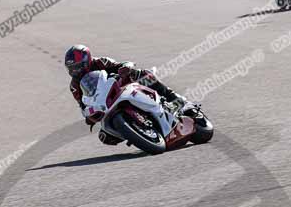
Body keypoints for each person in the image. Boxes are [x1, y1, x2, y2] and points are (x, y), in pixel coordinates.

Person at [64, 45, 194, 145]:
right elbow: (83, 104)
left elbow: (121, 64)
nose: (75, 71)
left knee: (143, 75)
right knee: (105, 137)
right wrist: (88, 116)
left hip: (119, 87)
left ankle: (177, 100)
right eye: (72, 68)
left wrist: (126, 68)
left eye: (78, 66)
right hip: (104, 103)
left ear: (87, 61)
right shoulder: (74, 86)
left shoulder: (100, 62)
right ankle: (137, 130)